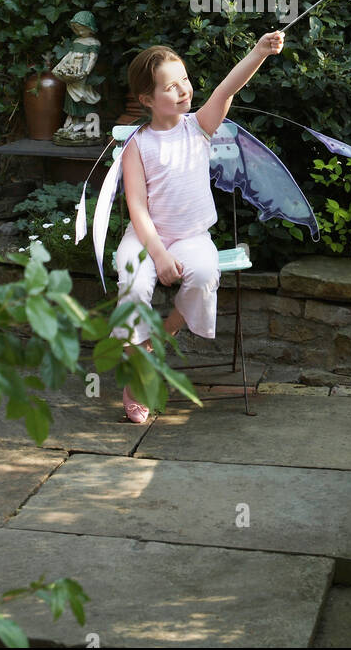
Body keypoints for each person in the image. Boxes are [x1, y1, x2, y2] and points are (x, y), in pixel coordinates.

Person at [114, 30, 285, 423]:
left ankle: (158, 340)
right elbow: (136, 206)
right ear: (146, 99)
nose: (183, 91)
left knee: (205, 274)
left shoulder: (199, 127)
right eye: (170, 87)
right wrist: (156, 254)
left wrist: (259, 51)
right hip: (146, 237)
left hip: (192, 236)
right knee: (134, 281)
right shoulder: (137, 144)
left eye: (185, 81)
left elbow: (226, 89)